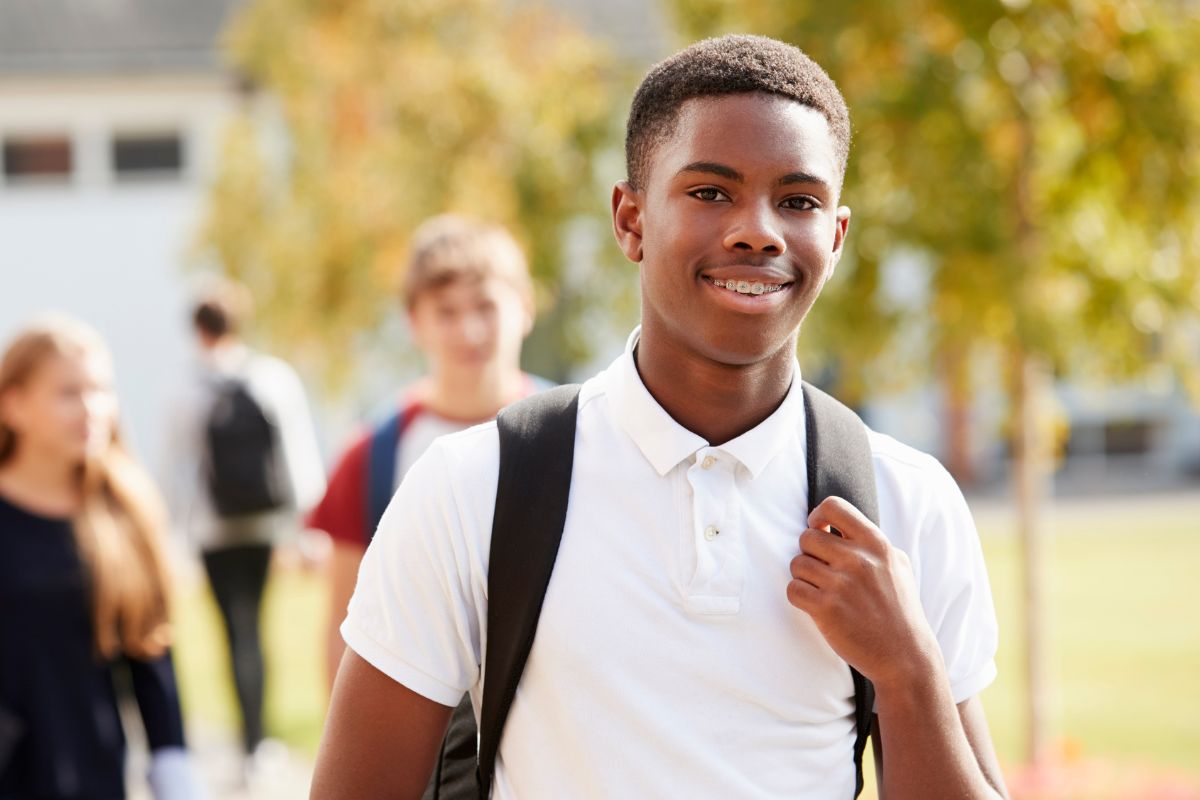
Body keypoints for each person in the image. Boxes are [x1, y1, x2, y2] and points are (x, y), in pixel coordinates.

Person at [311, 35, 1009, 800]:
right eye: (711, 192)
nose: (758, 230)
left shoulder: (907, 504)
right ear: (631, 220)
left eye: (798, 201)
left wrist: (908, 671)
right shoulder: (474, 488)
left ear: (835, 238)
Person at [308, 214, 541, 690]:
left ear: (525, 307)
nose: (469, 331)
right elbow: (344, 625)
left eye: (485, 306)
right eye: (446, 312)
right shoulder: (372, 455)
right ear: (414, 323)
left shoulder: (582, 434)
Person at [0, 316, 203, 799]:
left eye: (102, 390)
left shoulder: (125, 511)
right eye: (69, 392)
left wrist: (175, 774)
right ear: (13, 404)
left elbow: (152, 654)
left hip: (95, 777)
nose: (92, 408)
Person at [163, 279, 325, 768]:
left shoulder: (185, 388)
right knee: (257, 626)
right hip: (263, 526)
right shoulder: (273, 378)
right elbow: (299, 459)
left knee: (231, 630)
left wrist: (174, 536)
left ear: (197, 328)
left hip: (214, 530)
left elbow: (176, 470)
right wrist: (302, 527)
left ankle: (245, 742)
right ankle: (259, 742)